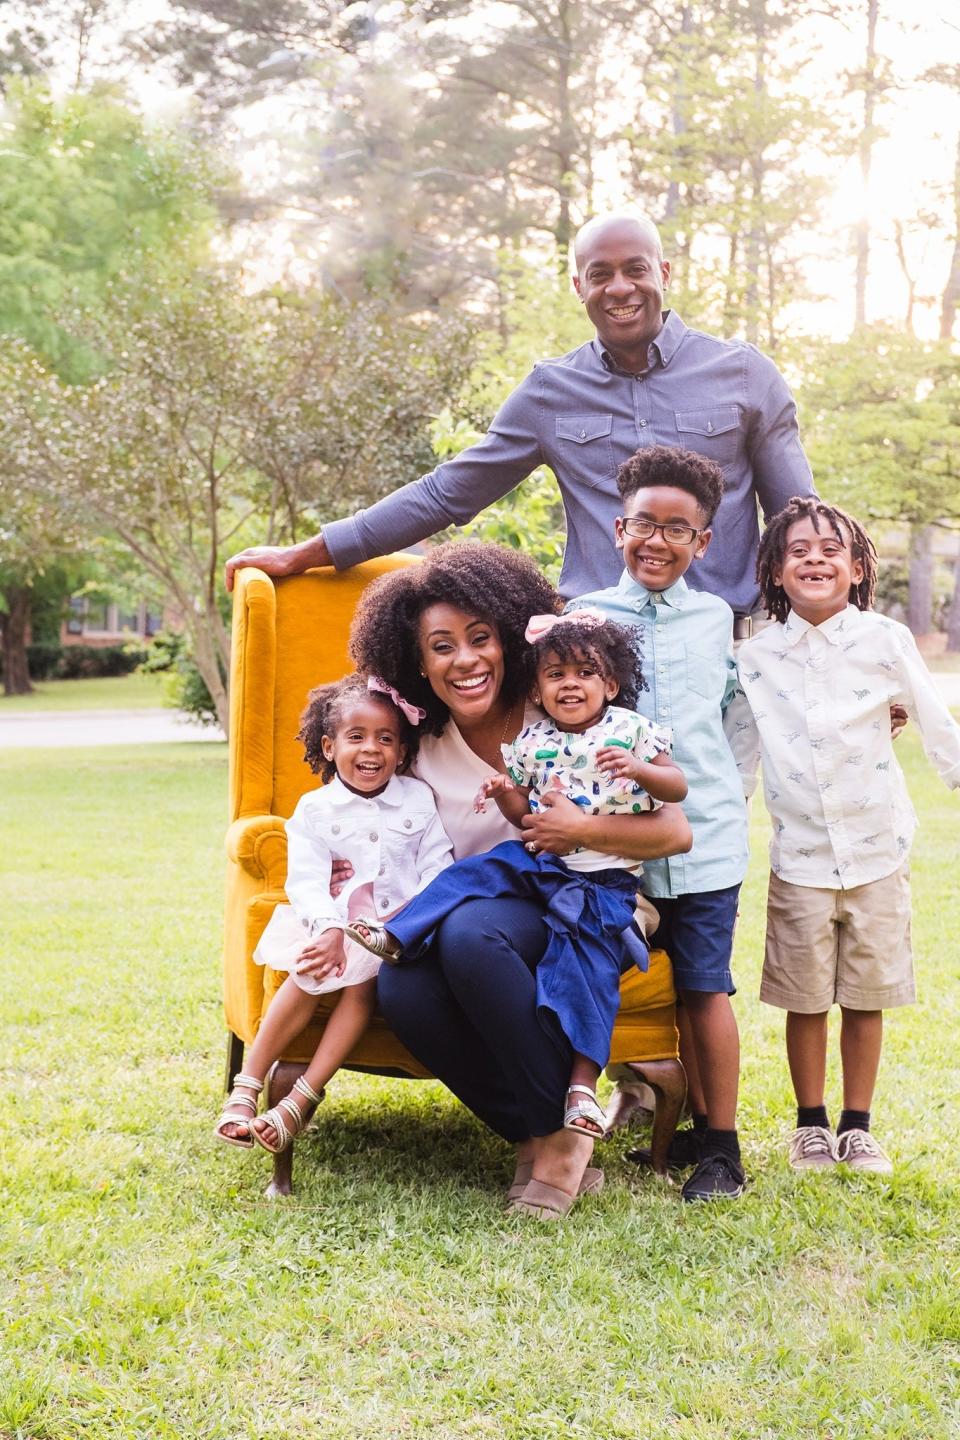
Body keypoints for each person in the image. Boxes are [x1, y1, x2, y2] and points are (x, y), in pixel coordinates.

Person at [223, 212, 814, 622]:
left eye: (635, 268)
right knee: (594, 805)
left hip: (728, 640)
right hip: (600, 649)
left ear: (664, 273)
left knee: (711, 807)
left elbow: (801, 523)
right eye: (600, 274)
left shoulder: (743, 374)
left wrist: (850, 643)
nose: (620, 288)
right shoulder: (548, 392)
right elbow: (445, 494)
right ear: (577, 284)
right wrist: (307, 553)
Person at [347, 541, 693, 1219]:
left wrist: (581, 831)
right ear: (417, 662)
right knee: (402, 984)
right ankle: (543, 1129)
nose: (465, 660)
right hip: (496, 902)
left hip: (587, 898)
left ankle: (565, 1151)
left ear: (508, 640)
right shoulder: (420, 747)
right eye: (442, 646)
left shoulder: (565, 709)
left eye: (480, 639)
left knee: (471, 935)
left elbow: (674, 831)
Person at [736, 496, 960, 1174]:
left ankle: (858, 1126)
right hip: (799, 856)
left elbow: (929, 712)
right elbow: (739, 748)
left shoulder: (884, 640)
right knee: (805, 999)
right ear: (774, 571)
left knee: (867, 995)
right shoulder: (755, 655)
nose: (815, 559)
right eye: (798, 550)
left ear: (857, 567)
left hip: (876, 848)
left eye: (831, 550)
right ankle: (811, 1124)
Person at [568, 445, 755, 1202]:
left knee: (704, 989)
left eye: (678, 529)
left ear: (701, 542)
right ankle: (620, 1103)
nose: (657, 541)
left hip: (706, 844)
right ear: (619, 529)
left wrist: (733, 798)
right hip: (620, 851)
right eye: (644, 523)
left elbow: (738, 717)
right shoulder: (584, 617)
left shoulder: (716, 619)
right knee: (612, 972)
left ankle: (720, 1147)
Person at [214, 674, 453, 1155]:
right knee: (309, 972)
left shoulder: (418, 799)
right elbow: (304, 880)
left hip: (398, 929)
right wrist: (327, 930)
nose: (372, 749)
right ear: (329, 746)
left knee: (364, 981)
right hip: (331, 920)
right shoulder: (315, 810)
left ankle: (300, 1099)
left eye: (386, 739)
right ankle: (247, 1088)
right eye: (357, 737)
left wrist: (408, 920)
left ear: (403, 751)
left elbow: (438, 865)